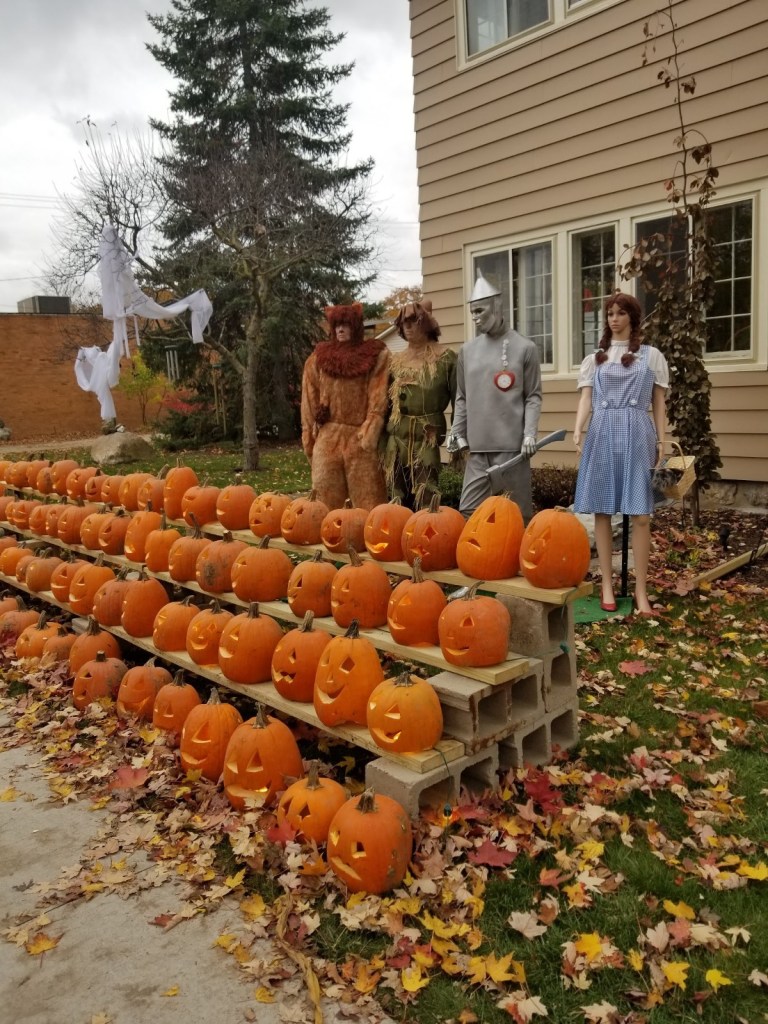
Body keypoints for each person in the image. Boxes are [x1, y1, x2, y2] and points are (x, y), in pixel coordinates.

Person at [572, 292, 669, 616]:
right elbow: (586, 398)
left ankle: (641, 590)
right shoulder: (596, 358)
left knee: (641, 515)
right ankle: (607, 585)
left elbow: (658, 402)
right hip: (602, 431)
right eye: (610, 313)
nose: (614, 318)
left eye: (621, 313)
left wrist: (662, 440)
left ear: (632, 317)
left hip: (637, 432)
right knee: (602, 509)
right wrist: (578, 428)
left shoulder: (650, 356)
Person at [448, 272, 542, 521]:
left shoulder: (525, 348)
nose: (476, 318)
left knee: (517, 514)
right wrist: (456, 432)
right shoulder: (466, 351)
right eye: (473, 313)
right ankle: (481, 557)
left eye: (480, 311)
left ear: (496, 306)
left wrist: (530, 433)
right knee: (469, 509)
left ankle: (515, 558)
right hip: (479, 449)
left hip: (512, 449)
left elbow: (533, 395)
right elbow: (462, 396)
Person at [301, 302, 390, 511]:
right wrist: (310, 437)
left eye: (346, 325)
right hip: (328, 436)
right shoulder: (318, 358)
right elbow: (309, 399)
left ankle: (369, 539)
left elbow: (378, 395)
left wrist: (369, 433)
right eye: (337, 325)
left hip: (359, 436)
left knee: (369, 497)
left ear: (356, 327)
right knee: (324, 497)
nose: (341, 329)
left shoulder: (375, 355)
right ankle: (327, 538)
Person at [384, 298, 457, 508]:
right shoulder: (395, 361)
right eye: (403, 322)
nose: (407, 326)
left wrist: (458, 437)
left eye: (413, 321)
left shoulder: (446, 358)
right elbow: (384, 403)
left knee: (426, 491)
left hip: (427, 435)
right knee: (395, 495)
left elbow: (460, 401)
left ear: (426, 323)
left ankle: (424, 537)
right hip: (396, 436)